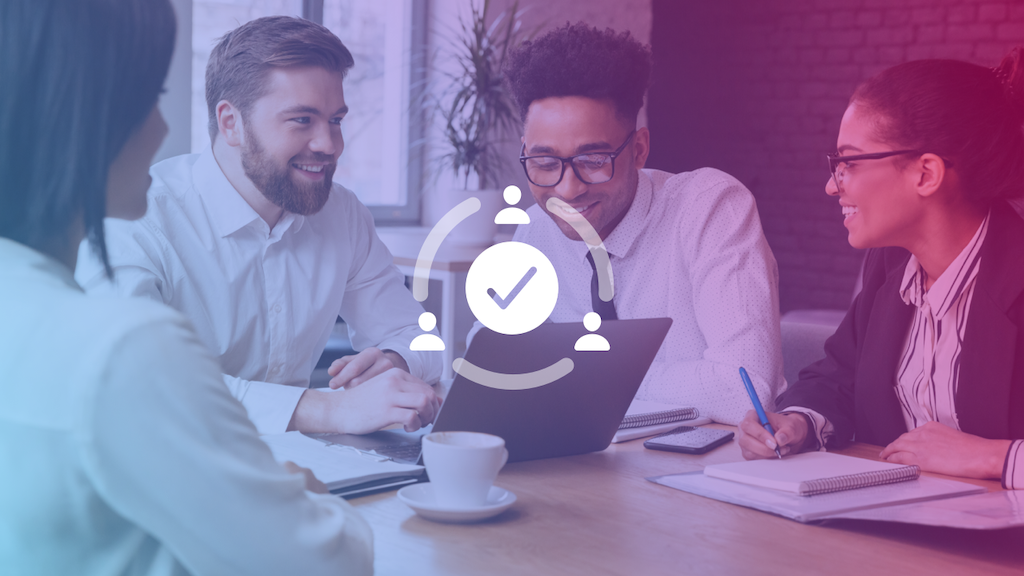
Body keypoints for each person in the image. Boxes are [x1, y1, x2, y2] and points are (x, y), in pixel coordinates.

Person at [0, 0, 373, 573]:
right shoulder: (125, 347)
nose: (165, 128)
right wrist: (297, 496)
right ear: (93, 120)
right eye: (151, 98)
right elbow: (327, 562)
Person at [75, 16, 441, 436]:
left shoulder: (343, 214)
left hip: (302, 468)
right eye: (302, 120)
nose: (329, 145)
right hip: (164, 468)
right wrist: (324, 410)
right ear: (231, 123)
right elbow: (136, 382)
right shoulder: (136, 216)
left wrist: (396, 359)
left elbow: (421, 338)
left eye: (336, 120)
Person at [737, 49, 1024, 489]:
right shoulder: (892, 263)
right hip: (893, 532)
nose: (832, 185)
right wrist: (797, 422)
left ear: (925, 174)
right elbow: (841, 376)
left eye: (849, 162)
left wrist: (996, 456)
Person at [501, 23, 785, 424]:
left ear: (638, 150)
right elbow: (496, 362)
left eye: (593, 161)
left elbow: (744, 390)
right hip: (584, 464)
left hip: (704, 468)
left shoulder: (709, 208)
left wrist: (587, 372)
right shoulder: (536, 228)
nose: (566, 190)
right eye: (545, 164)